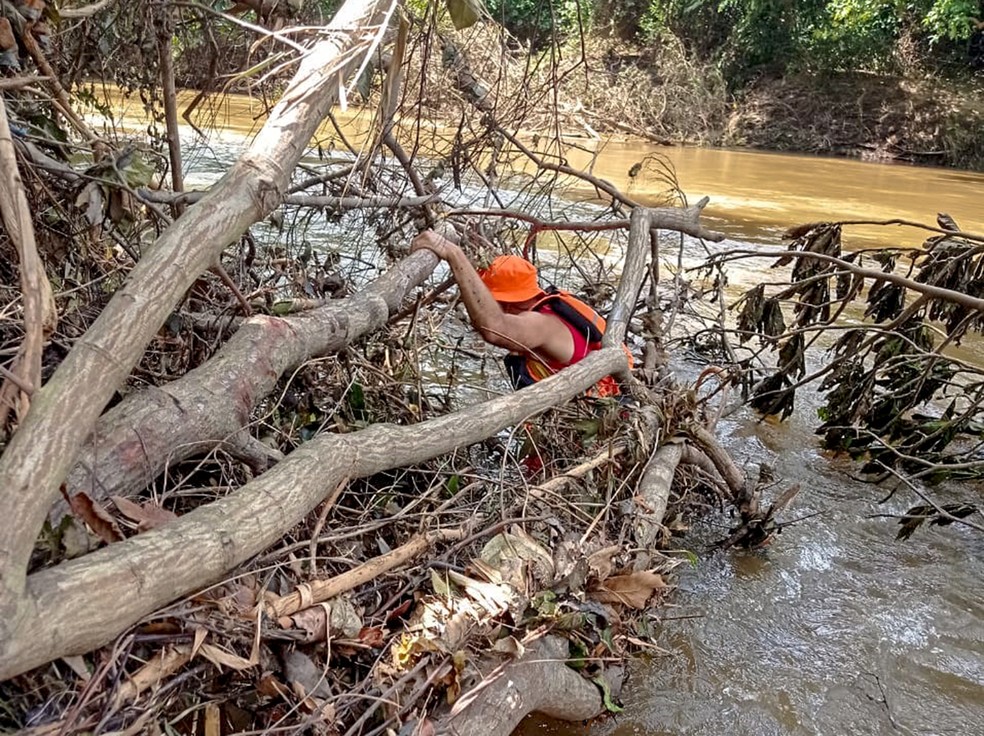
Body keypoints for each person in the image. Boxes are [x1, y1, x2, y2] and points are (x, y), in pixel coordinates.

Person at [410, 230, 622, 396]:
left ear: (505, 303)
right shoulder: (552, 306)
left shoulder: (543, 324)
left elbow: (494, 328)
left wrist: (454, 254)